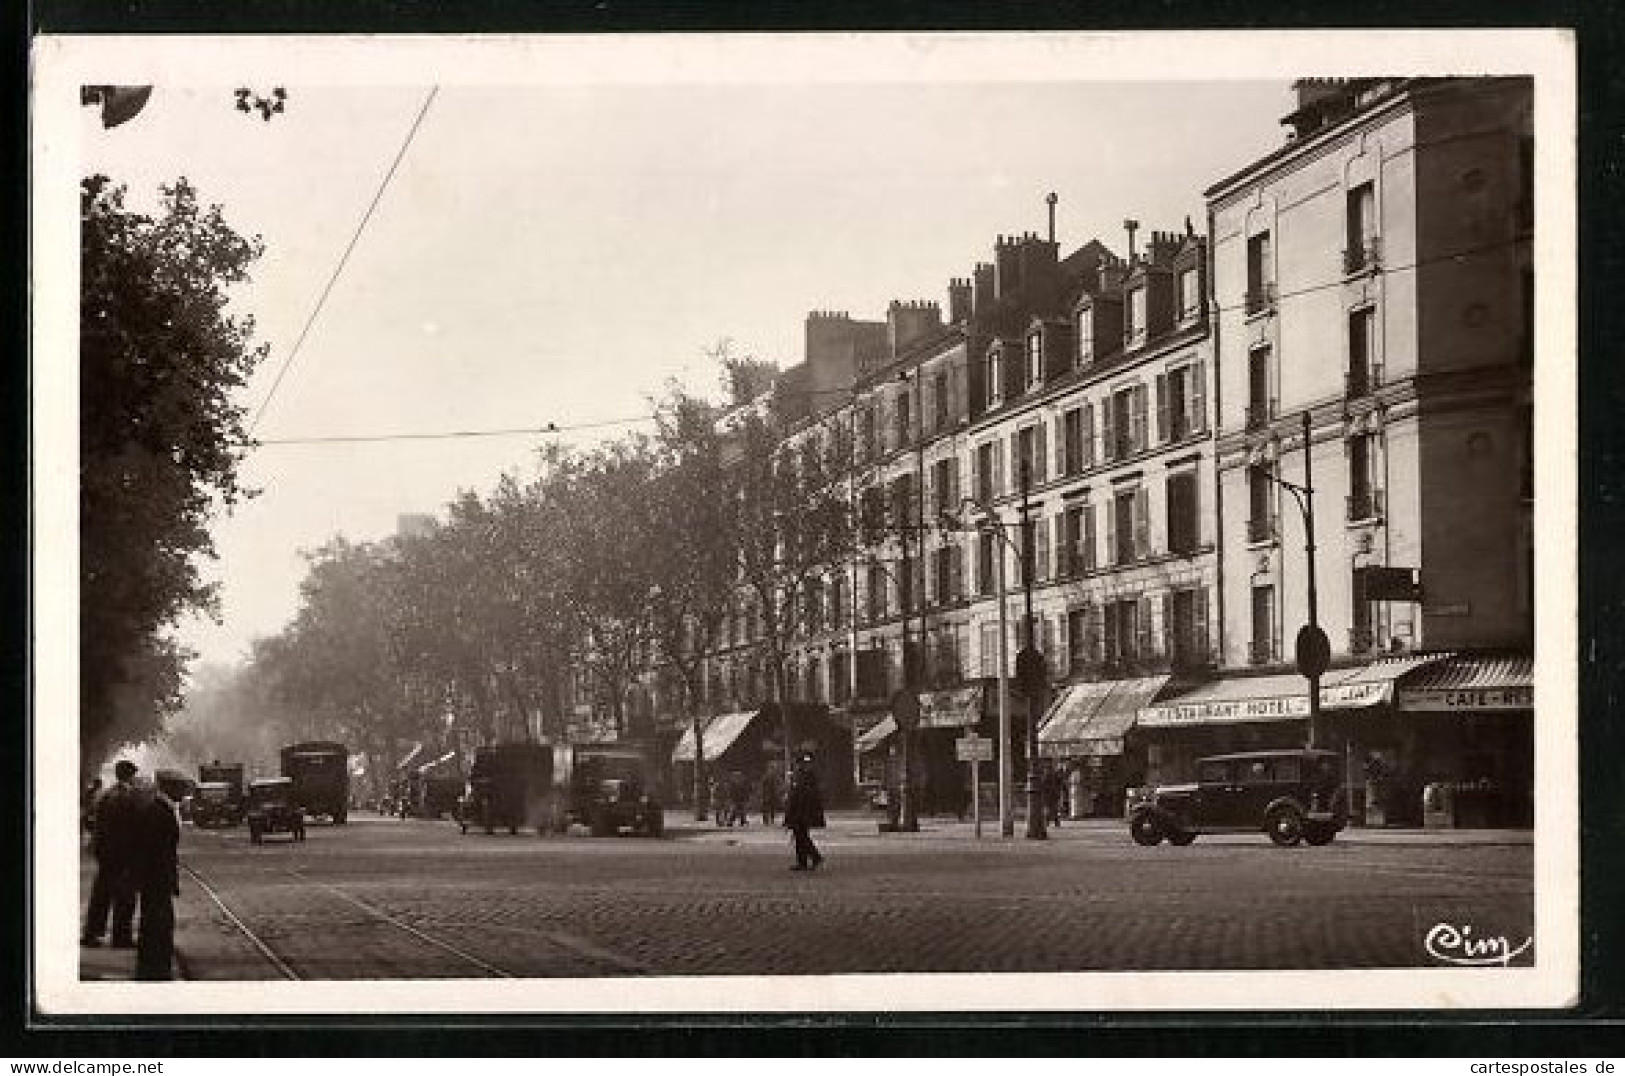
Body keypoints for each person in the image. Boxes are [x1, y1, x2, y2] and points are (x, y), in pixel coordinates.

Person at [82, 760, 141, 948]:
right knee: (125, 897)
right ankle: (121, 937)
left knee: (101, 896)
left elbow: (92, 822)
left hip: (105, 853)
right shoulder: (128, 796)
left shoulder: (105, 795)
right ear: (130, 775)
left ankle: (92, 934)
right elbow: (131, 829)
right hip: (123, 854)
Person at [132, 785, 181, 980]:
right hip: (158, 876)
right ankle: (158, 964)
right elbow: (166, 849)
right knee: (160, 920)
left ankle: (152, 962)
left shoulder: (153, 809)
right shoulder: (161, 812)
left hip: (152, 876)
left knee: (152, 918)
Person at [782, 752, 825, 871]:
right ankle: (804, 861)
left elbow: (798, 796)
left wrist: (791, 814)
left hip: (801, 812)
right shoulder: (806, 776)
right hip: (802, 812)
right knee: (801, 836)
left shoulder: (803, 776)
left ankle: (813, 857)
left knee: (801, 836)